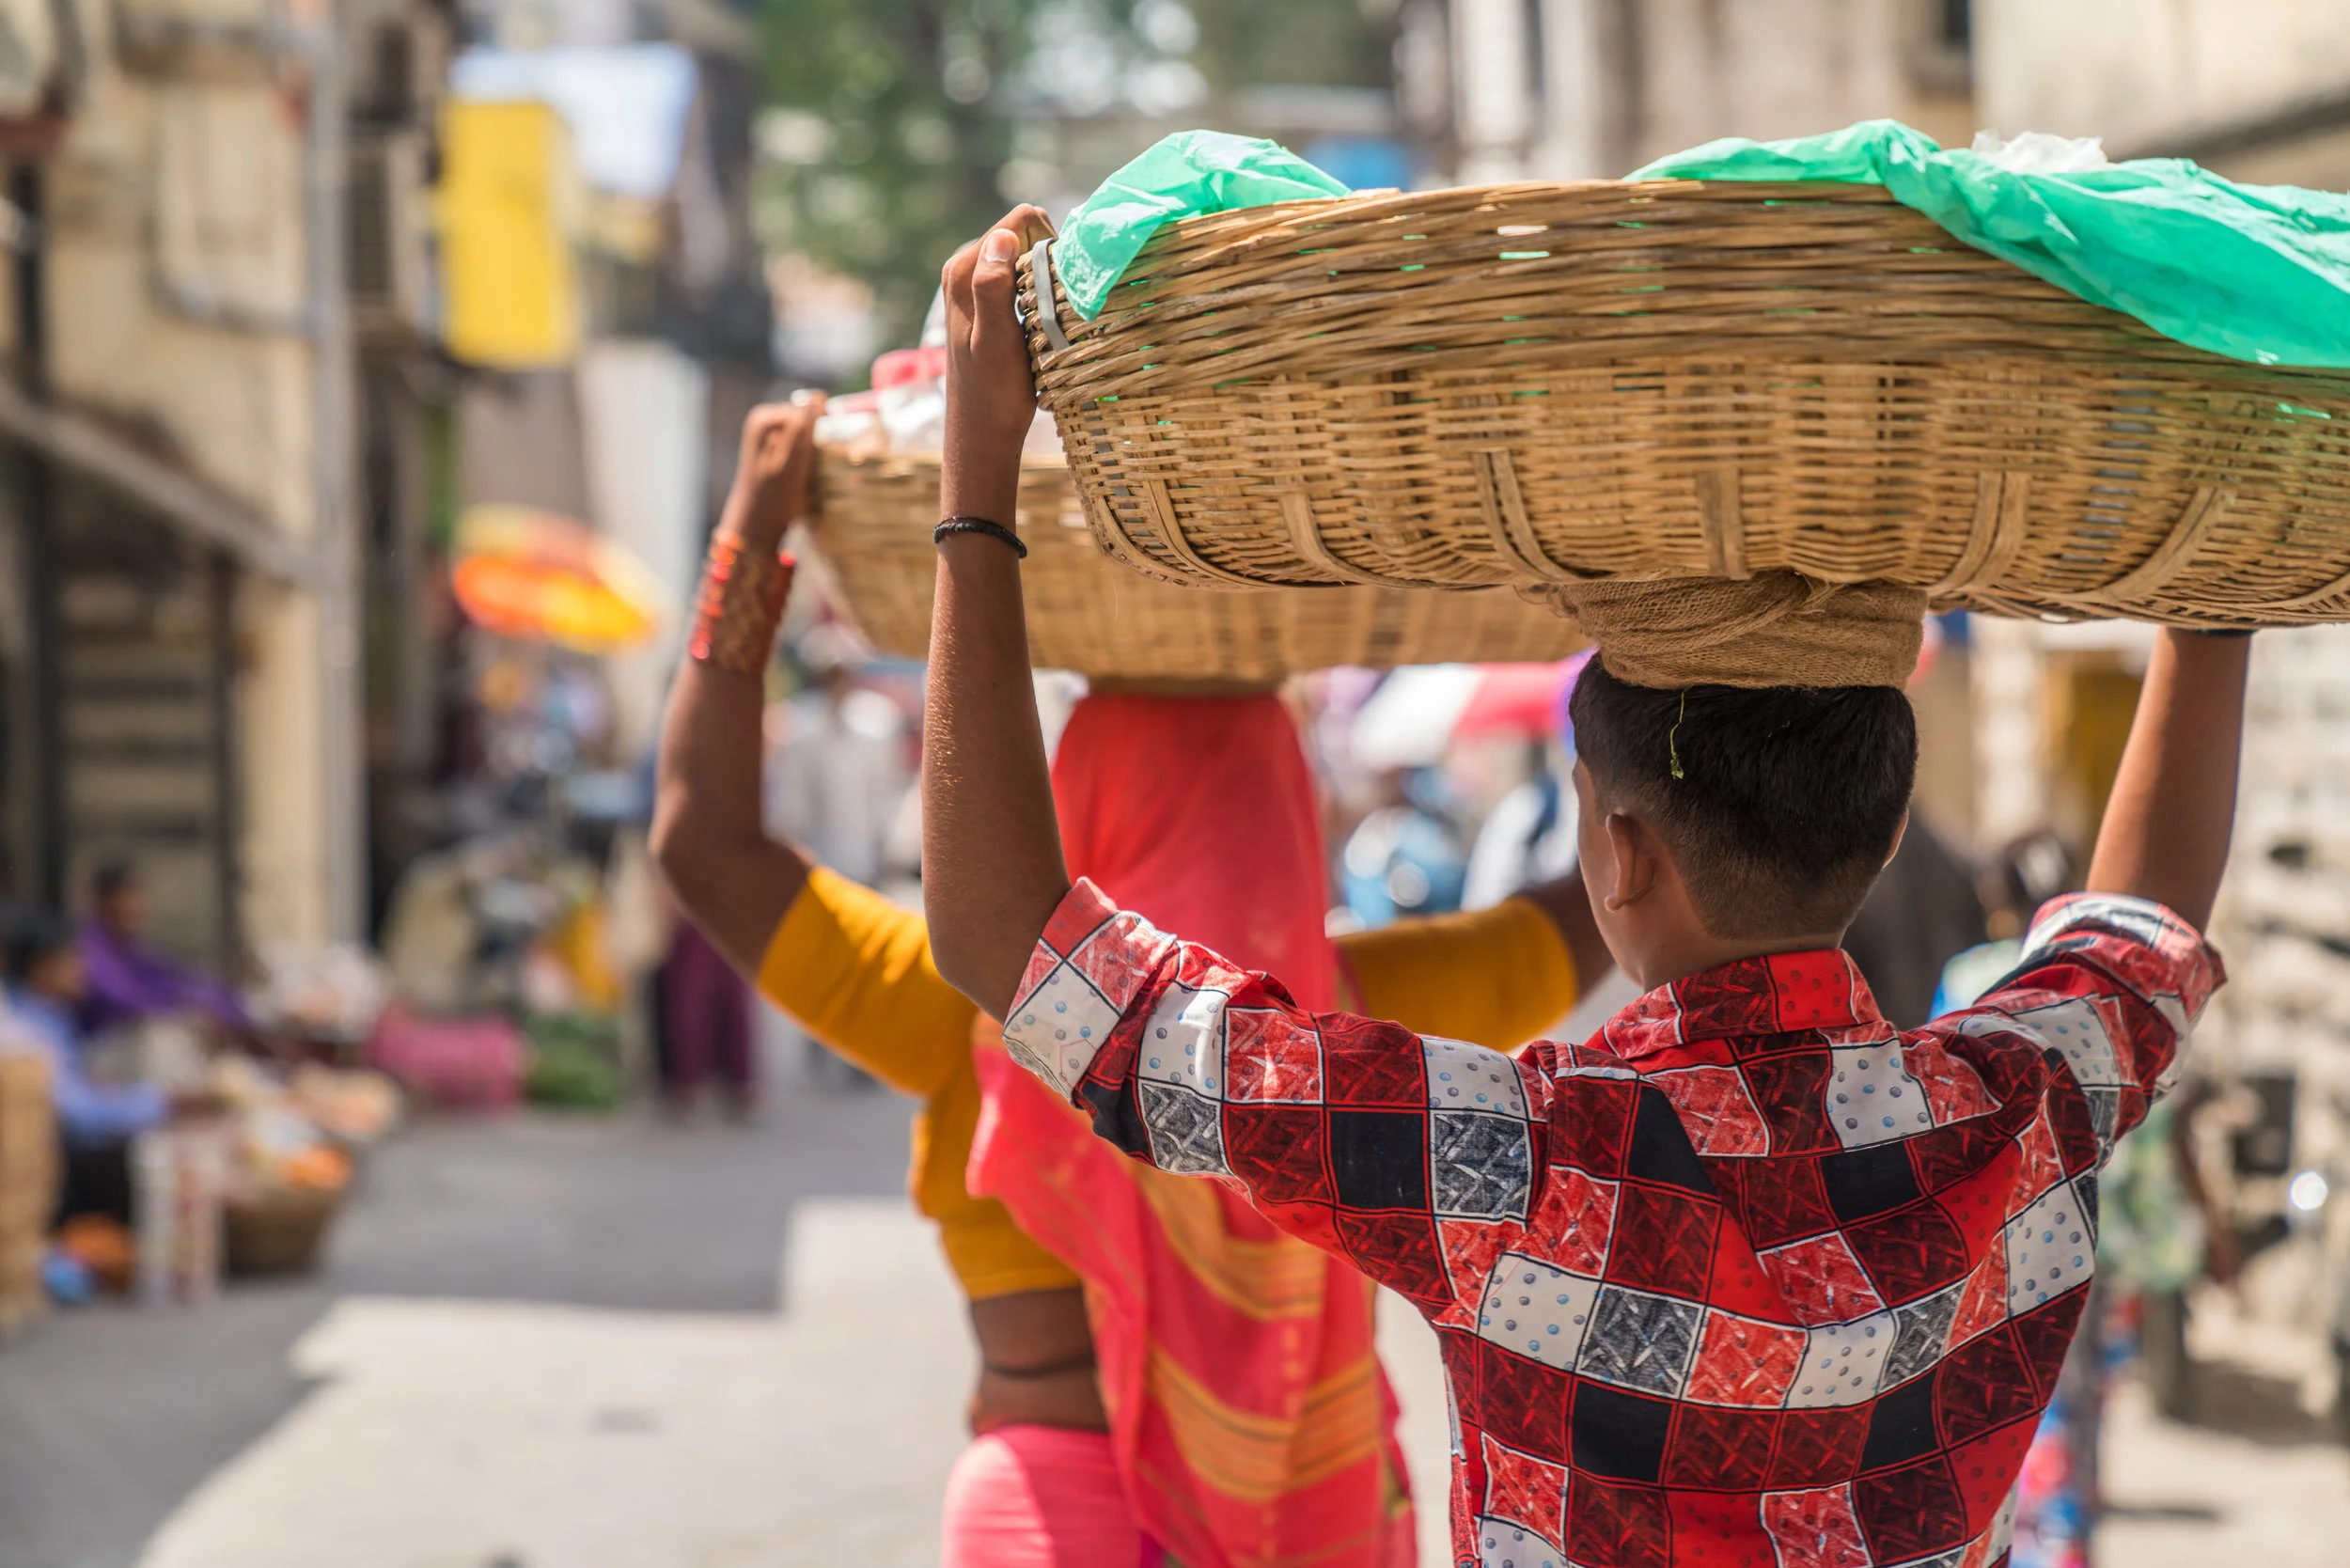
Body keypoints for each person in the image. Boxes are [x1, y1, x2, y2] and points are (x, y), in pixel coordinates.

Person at [917, 208, 2245, 1568]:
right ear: (1893, 826)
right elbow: (2143, 922)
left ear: (1619, 852)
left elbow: (1011, 950)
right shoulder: (2015, 1108)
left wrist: (978, 475)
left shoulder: (1507, 1162)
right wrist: (2213, 589)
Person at [653, 392, 1610, 1565]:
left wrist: (752, 535)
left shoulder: (976, 1001)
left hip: (1053, 1518)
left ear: (1073, 807)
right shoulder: (1361, 1024)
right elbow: (1612, 891)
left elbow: (704, 848)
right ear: (1283, 817)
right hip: (1310, 1518)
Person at [2, 913, 170, 1224]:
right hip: (56, 1170)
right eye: (74, 958)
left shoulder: (53, 1019)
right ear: (42, 966)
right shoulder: (25, 1032)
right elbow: (75, 1115)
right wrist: (162, 1103)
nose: (84, 969)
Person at [79, 862, 248, 1039]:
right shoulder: (89, 949)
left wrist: (217, 1002)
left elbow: (174, 980)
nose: (136, 905)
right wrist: (179, 1012)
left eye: (138, 895)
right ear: (103, 900)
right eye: (126, 896)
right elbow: (122, 1002)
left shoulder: (131, 950)